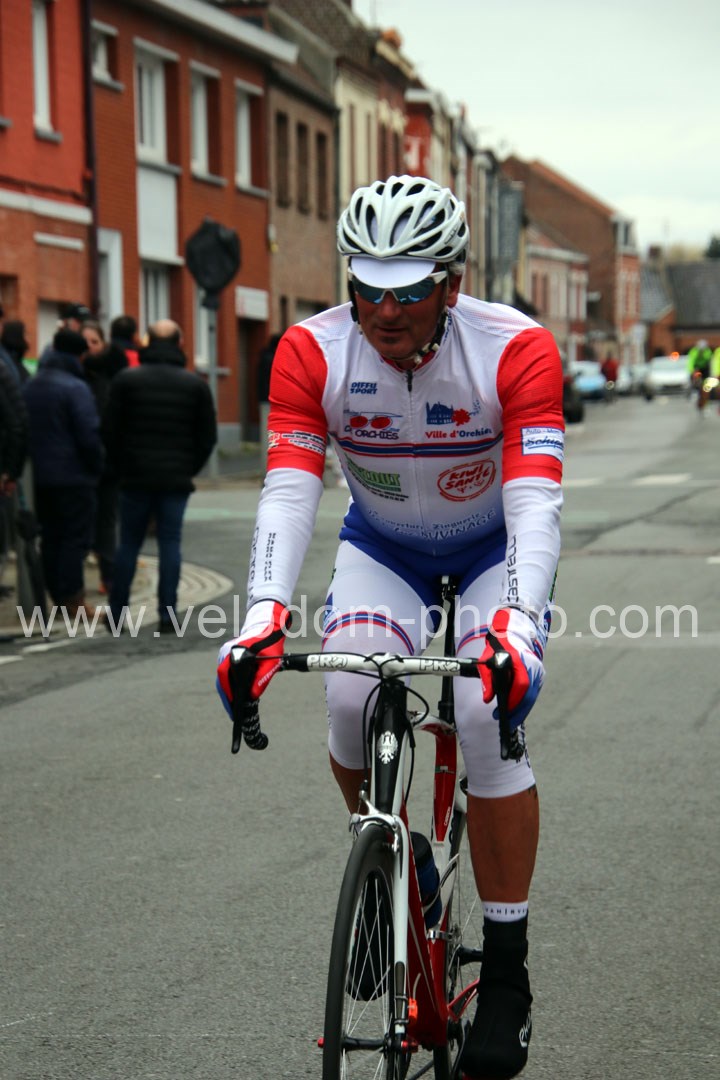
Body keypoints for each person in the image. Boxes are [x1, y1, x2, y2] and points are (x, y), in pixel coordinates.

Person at [215, 175, 564, 1079]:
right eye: (367, 286)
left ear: (452, 284)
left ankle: (509, 969)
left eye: (408, 289)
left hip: (490, 553)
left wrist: (519, 626)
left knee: (485, 715)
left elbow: (535, 504)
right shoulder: (311, 351)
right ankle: (397, 879)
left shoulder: (514, 348)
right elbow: (288, 492)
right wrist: (260, 618)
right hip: (386, 551)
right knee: (347, 699)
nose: (384, 309)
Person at [103, 319, 217, 632]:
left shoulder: (126, 381)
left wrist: (122, 466)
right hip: (175, 478)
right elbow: (207, 436)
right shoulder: (194, 385)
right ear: (180, 344)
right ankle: (167, 614)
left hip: (134, 477)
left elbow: (109, 431)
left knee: (128, 543)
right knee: (170, 543)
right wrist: (188, 467)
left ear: (146, 343)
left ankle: (116, 614)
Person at [22, 329, 104, 619]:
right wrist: (97, 466)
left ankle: (56, 596)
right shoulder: (75, 388)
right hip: (73, 476)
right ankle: (73, 599)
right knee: (74, 538)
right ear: (80, 356)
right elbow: (89, 435)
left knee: (51, 537)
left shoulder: (32, 385)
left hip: (40, 477)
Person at [81, 320, 129, 594]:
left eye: (94, 341)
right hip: (81, 462)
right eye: (85, 341)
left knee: (107, 521)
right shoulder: (76, 375)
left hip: (110, 461)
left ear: (103, 343)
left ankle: (108, 577)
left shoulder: (115, 376)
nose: (89, 347)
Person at [257, 332, 282, 472]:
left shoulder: (264, 357)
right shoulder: (274, 358)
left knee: (266, 435)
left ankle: (266, 469)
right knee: (273, 436)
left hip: (264, 399)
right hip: (272, 400)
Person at [0, 319, 31, 384]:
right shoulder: (7, 362)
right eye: (25, 334)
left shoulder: (15, 360)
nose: (28, 339)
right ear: (17, 336)